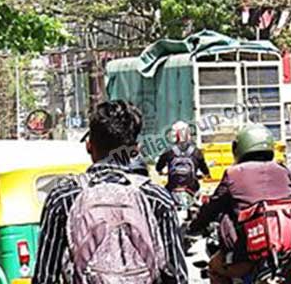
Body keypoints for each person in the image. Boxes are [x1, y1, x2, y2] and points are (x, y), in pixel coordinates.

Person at [33, 101, 188, 284]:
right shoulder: (156, 199)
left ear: (89, 146)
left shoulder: (64, 198)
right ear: (135, 150)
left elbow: (45, 277)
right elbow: (176, 276)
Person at [187, 123, 291, 284]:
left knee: (214, 266)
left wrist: (195, 226)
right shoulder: (283, 170)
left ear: (239, 148)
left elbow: (213, 206)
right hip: (287, 249)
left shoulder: (233, 174)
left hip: (248, 252)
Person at [156, 120, 211, 202]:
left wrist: (161, 172)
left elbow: (158, 167)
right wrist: (207, 174)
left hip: (172, 189)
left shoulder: (168, 151)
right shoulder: (196, 151)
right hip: (192, 189)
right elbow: (204, 169)